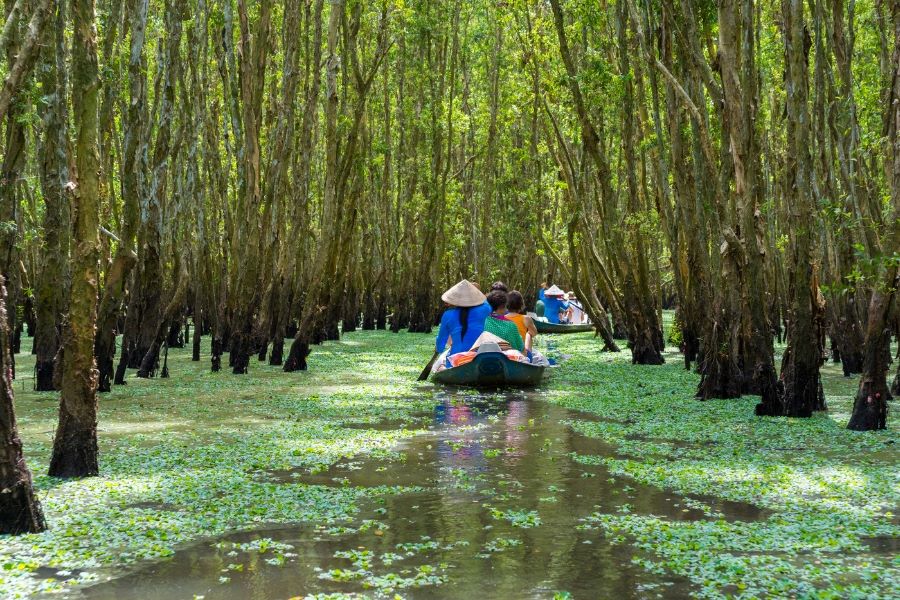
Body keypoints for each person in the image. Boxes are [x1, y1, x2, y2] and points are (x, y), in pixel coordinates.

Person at [434, 280, 491, 368]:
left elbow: (441, 341)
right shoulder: (486, 309)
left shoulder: (447, 315)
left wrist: (438, 349)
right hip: (480, 357)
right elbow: (485, 302)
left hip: (456, 360)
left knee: (441, 366)